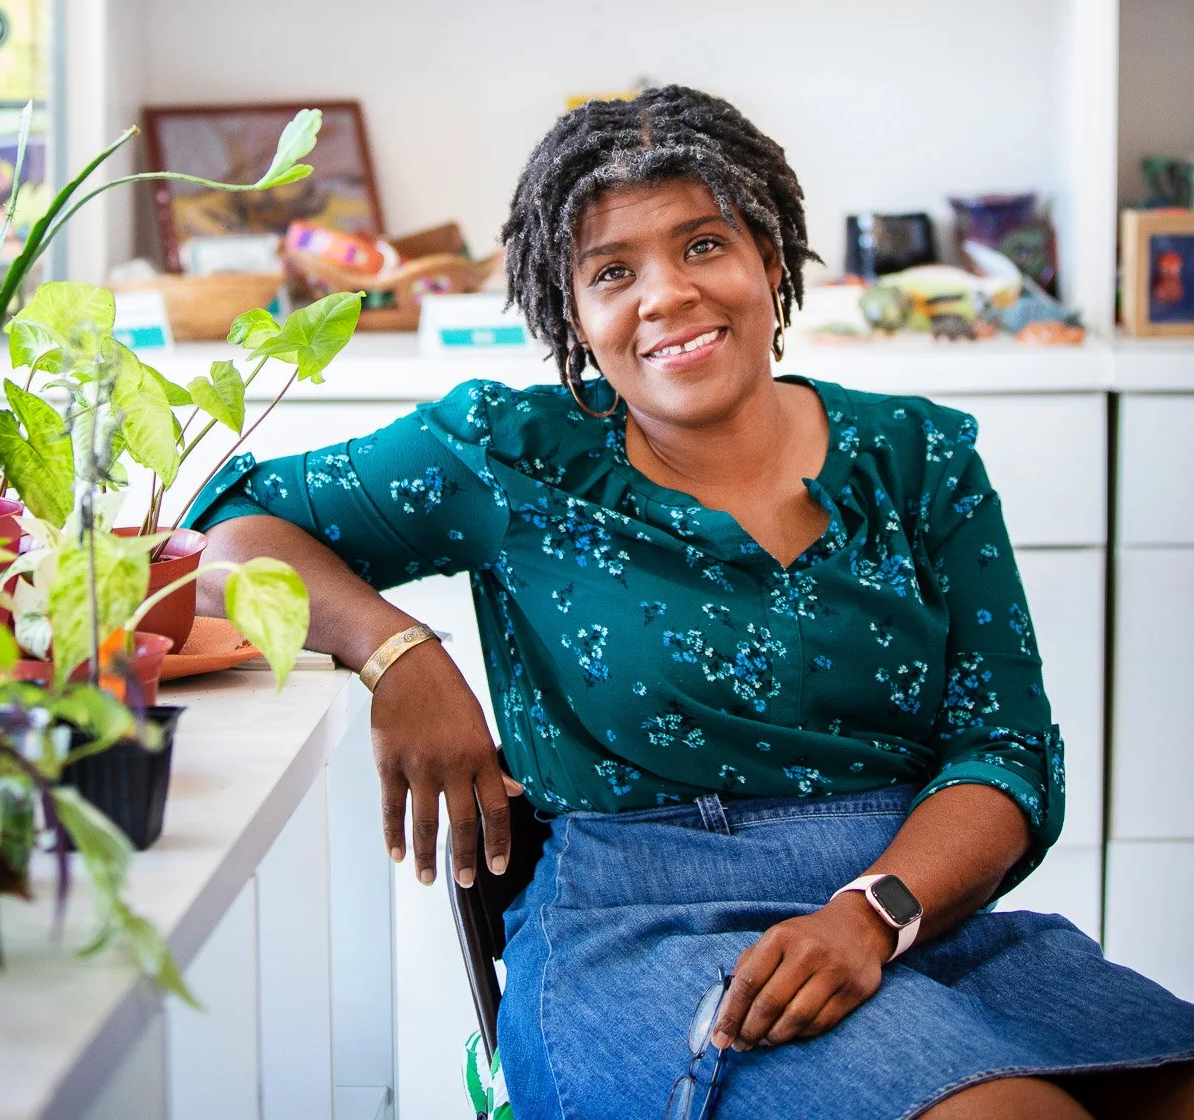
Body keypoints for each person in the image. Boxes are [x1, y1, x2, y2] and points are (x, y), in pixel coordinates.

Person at [187, 88, 1194, 1120]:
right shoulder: (512, 454)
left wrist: (873, 911)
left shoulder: (919, 458)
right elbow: (224, 531)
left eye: (702, 243)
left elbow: (1006, 753)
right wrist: (396, 647)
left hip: (915, 910)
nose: (664, 294)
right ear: (570, 314)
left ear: (769, 257)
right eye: (612, 271)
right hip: (642, 923)